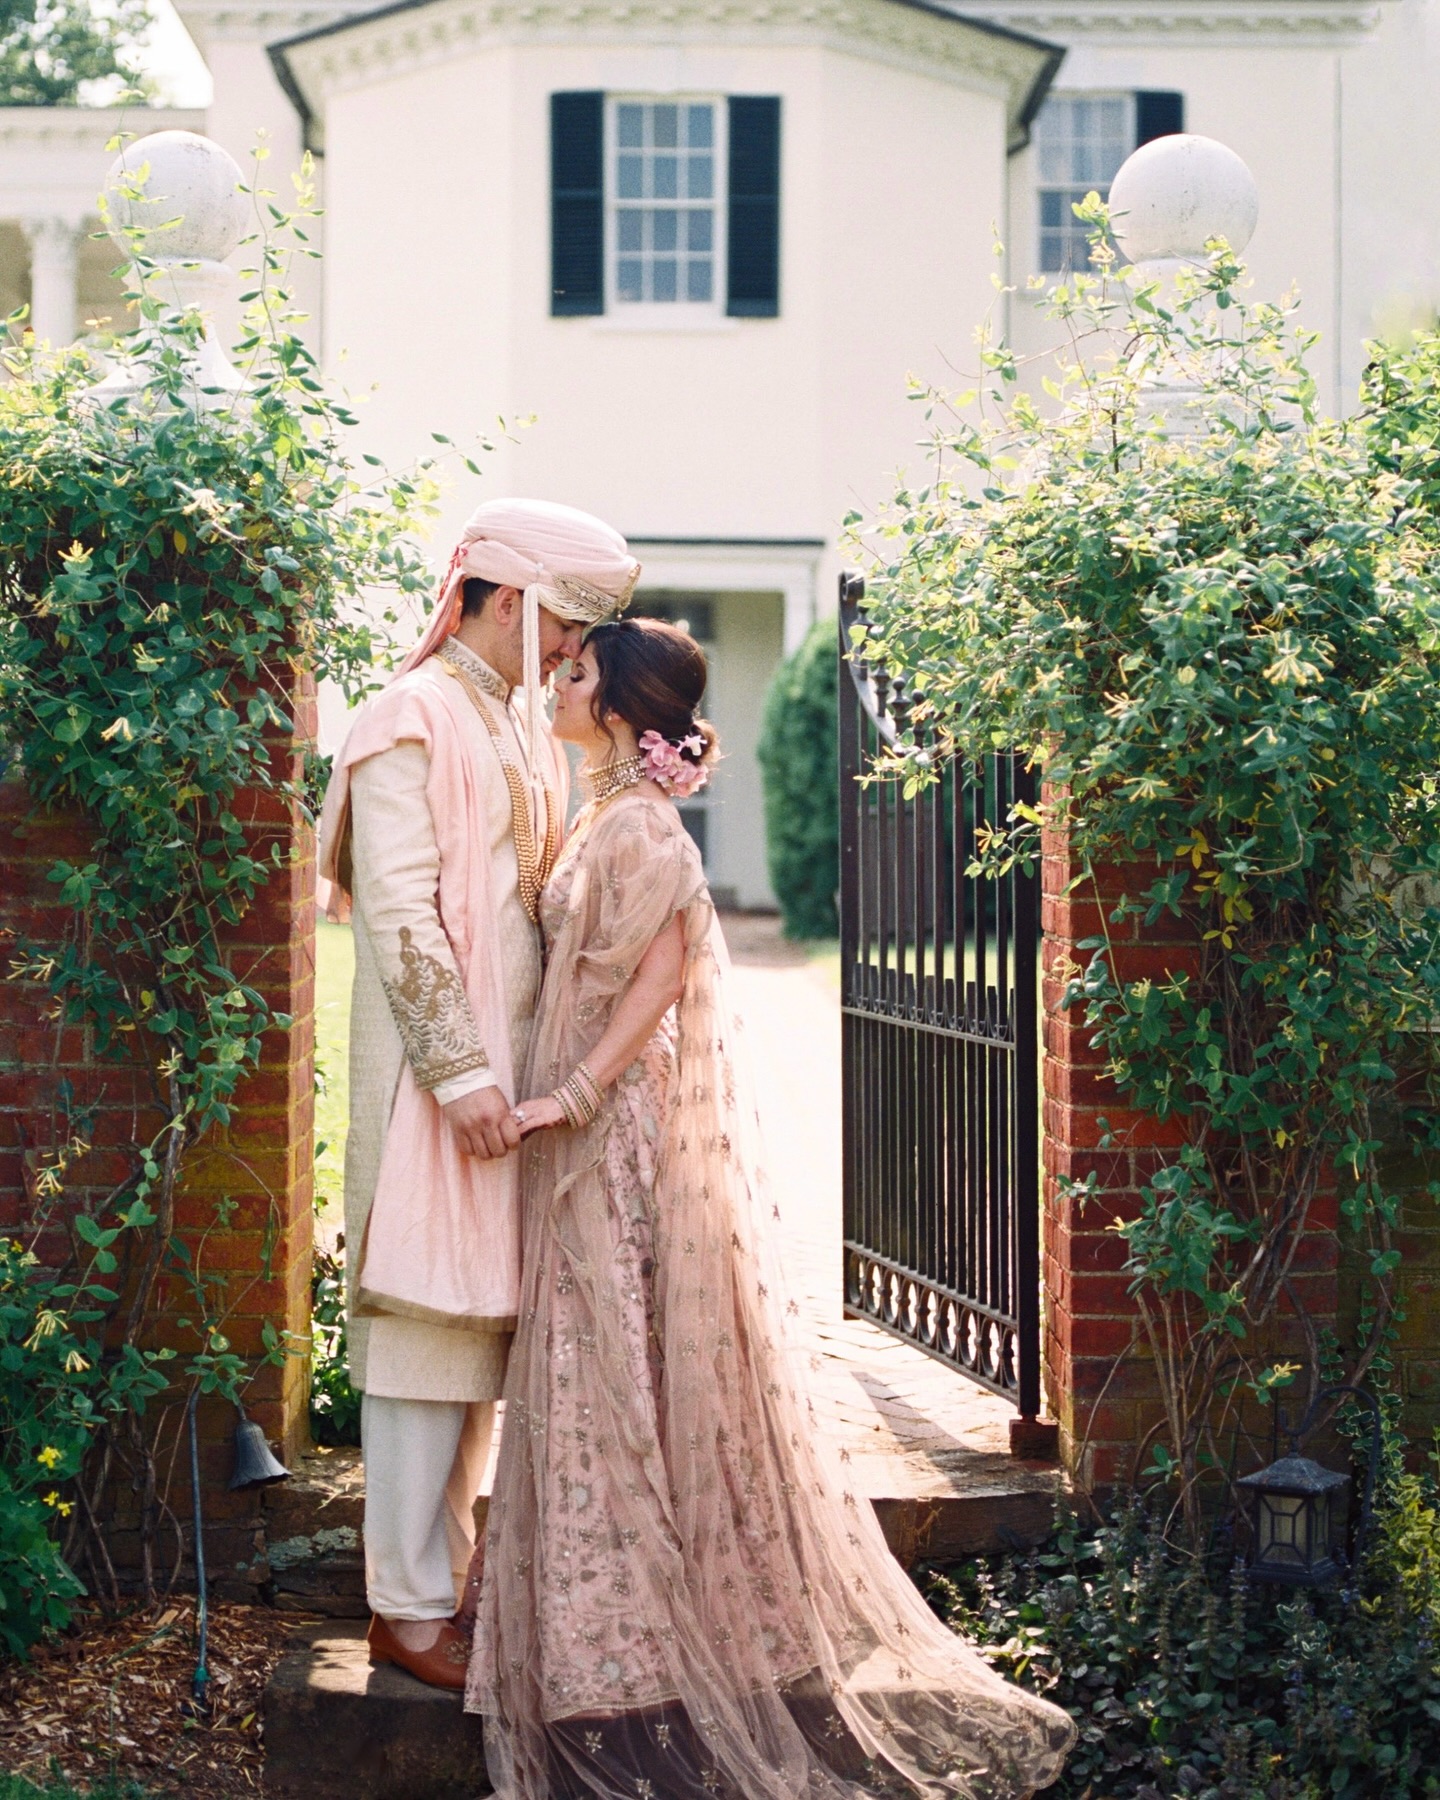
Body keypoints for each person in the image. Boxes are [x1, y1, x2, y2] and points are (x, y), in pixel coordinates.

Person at [465, 618, 1076, 1797]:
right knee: (597, 1368)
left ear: (628, 710)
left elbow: (661, 978)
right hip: (574, 1126)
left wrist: (572, 1101)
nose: (558, 678)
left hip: (610, 1139)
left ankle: (629, 1639)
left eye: (578, 670)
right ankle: (603, 1613)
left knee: (614, 1366)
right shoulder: (602, 807)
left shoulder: (646, 831)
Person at [316, 499, 640, 1689]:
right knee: (418, 1340)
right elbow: (401, 915)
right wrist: (458, 1076)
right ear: (508, 598)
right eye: (561, 626)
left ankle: (439, 1595)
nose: (566, 653)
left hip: (513, 1079)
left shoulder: (509, 716)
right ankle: (403, 1612)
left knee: (477, 1344)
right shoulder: (408, 718)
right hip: (433, 1084)